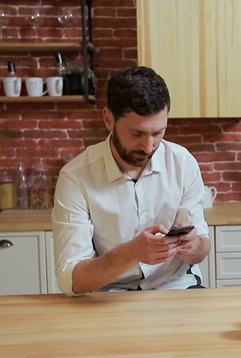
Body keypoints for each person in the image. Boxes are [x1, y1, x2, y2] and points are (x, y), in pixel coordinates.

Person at [51, 66, 211, 296]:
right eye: (137, 134)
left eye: (158, 133)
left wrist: (195, 246)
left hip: (176, 286)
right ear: (108, 119)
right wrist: (131, 253)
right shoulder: (75, 177)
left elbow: (203, 247)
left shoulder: (183, 163)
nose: (149, 147)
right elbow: (70, 280)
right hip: (108, 294)